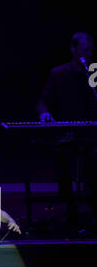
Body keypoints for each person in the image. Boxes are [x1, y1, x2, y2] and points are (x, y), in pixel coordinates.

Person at [37, 32, 97, 227]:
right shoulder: (59, 73)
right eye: (84, 49)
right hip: (67, 133)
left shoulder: (94, 73)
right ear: (73, 49)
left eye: (90, 50)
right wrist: (45, 113)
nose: (88, 53)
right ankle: (70, 210)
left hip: (91, 134)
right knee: (63, 161)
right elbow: (43, 101)